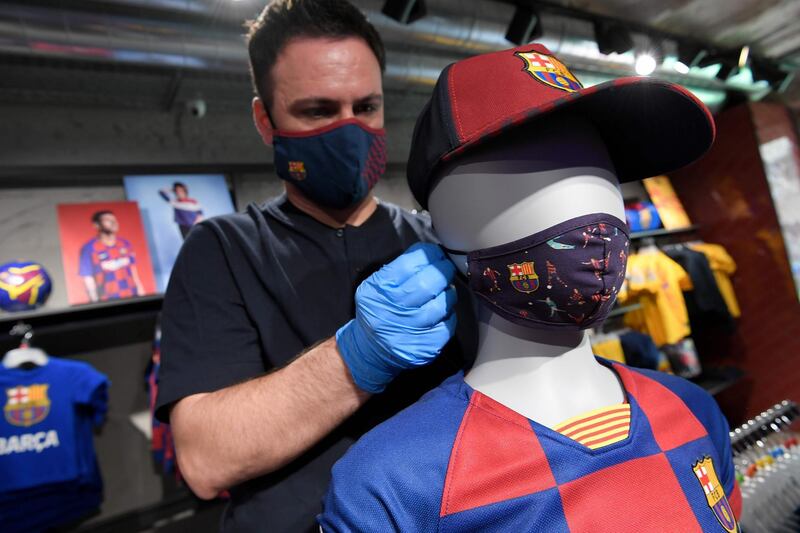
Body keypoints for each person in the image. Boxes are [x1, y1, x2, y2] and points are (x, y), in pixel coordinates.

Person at [153, 1, 472, 531]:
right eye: (318, 111)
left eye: (365, 107)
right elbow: (206, 461)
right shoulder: (222, 250)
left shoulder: (434, 240)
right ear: (265, 120)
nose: (350, 132)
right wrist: (359, 355)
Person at [78, 210, 144, 302]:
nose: (114, 223)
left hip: (132, 296)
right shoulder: (89, 248)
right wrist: (94, 301)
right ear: (97, 225)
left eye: (114, 220)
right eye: (108, 220)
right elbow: (87, 277)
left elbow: (133, 269)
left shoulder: (125, 243)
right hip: (108, 300)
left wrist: (141, 291)